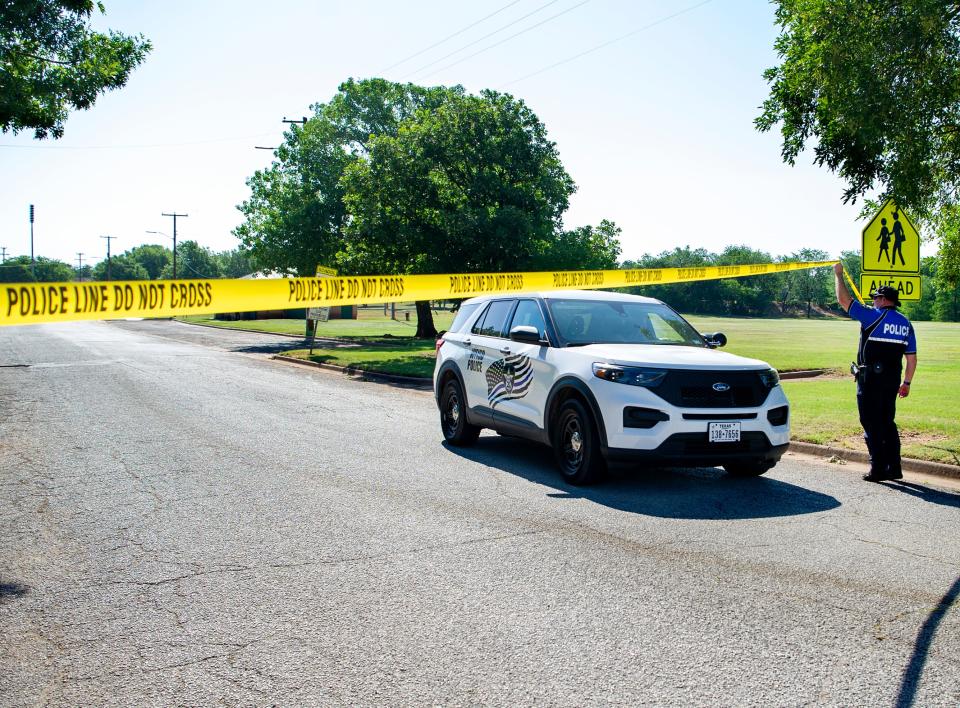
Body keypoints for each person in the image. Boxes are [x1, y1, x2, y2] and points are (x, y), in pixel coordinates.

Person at [833, 263, 917, 481]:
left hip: (870, 379)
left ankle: (878, 468)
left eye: (875, 298)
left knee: (870, 422)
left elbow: (844, 301)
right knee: (887, 422)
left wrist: (839, 275)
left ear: (883, 300)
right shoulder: (906, 323)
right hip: (892, 380)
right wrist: (906, 383)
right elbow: (912, 358)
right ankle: (894, 467)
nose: (873, 301)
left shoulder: (873, 316)